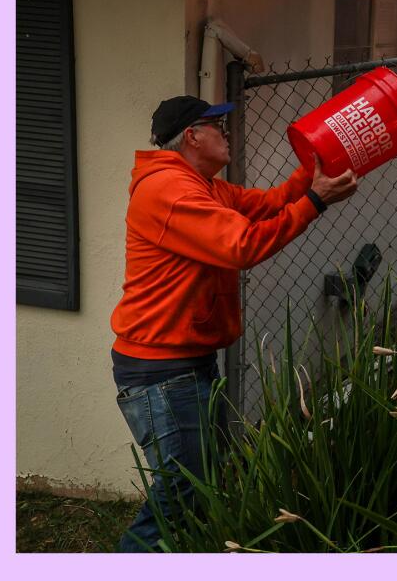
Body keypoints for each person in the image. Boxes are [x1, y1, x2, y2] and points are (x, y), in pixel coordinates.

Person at [110, 95, 358, 551]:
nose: (227, 133)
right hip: (162, 372)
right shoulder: (169, 189)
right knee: (179, 498)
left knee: (197, 492)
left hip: (186, 363)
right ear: (192, 136)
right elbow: (242, 246)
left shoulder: (202, 185)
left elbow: (269, 204)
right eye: (218, 125)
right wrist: (316, 202)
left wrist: (314, 171)